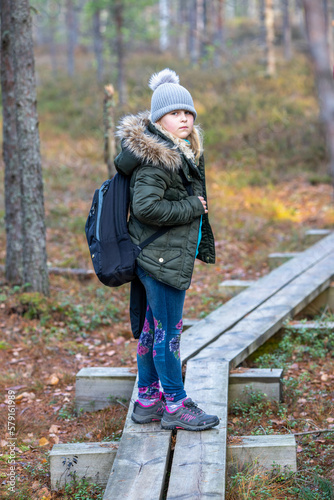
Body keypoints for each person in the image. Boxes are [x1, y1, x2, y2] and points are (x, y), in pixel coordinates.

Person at [114, 68, 218, 431]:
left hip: (158, 256)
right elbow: (146, 208)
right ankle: (174, 403)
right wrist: (194, 207)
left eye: (188, 112)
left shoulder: (178, 153)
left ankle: (147, 399)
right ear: (159, 119)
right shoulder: (159, 158)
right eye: (176, 113)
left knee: (152, 329)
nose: (185, 118)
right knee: (168, 333)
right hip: (159, 259)